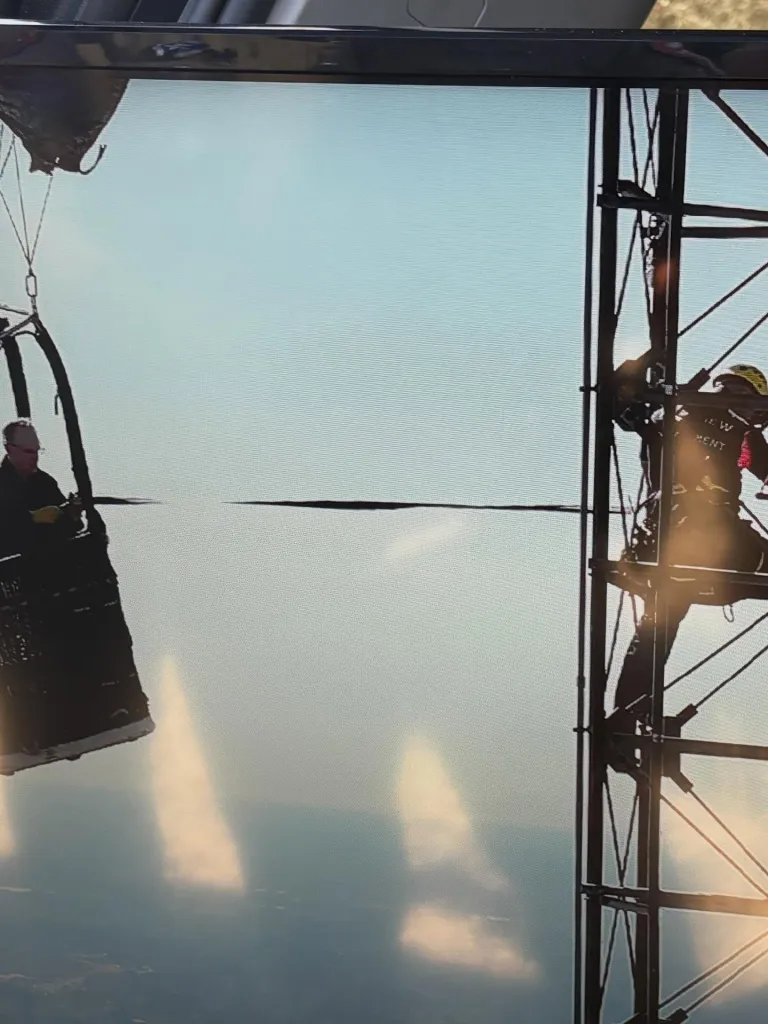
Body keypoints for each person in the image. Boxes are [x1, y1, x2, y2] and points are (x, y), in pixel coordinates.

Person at [610, 362, 768, 728]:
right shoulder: (741, 432)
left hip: (664, 543)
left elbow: (627, 414)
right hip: (716, 539)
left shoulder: (675, 416)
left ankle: (628, 712)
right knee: (661, 619)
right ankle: (629, 711)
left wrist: (639, 378)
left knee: (659, 621)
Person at [0, 419, 82, 560]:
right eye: (29, 451)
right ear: (9, 449)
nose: (35, 457)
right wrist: (32, 518)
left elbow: (68, 531)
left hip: (50, 567)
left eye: (37, 451)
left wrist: (72, 515)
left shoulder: (46, 483)